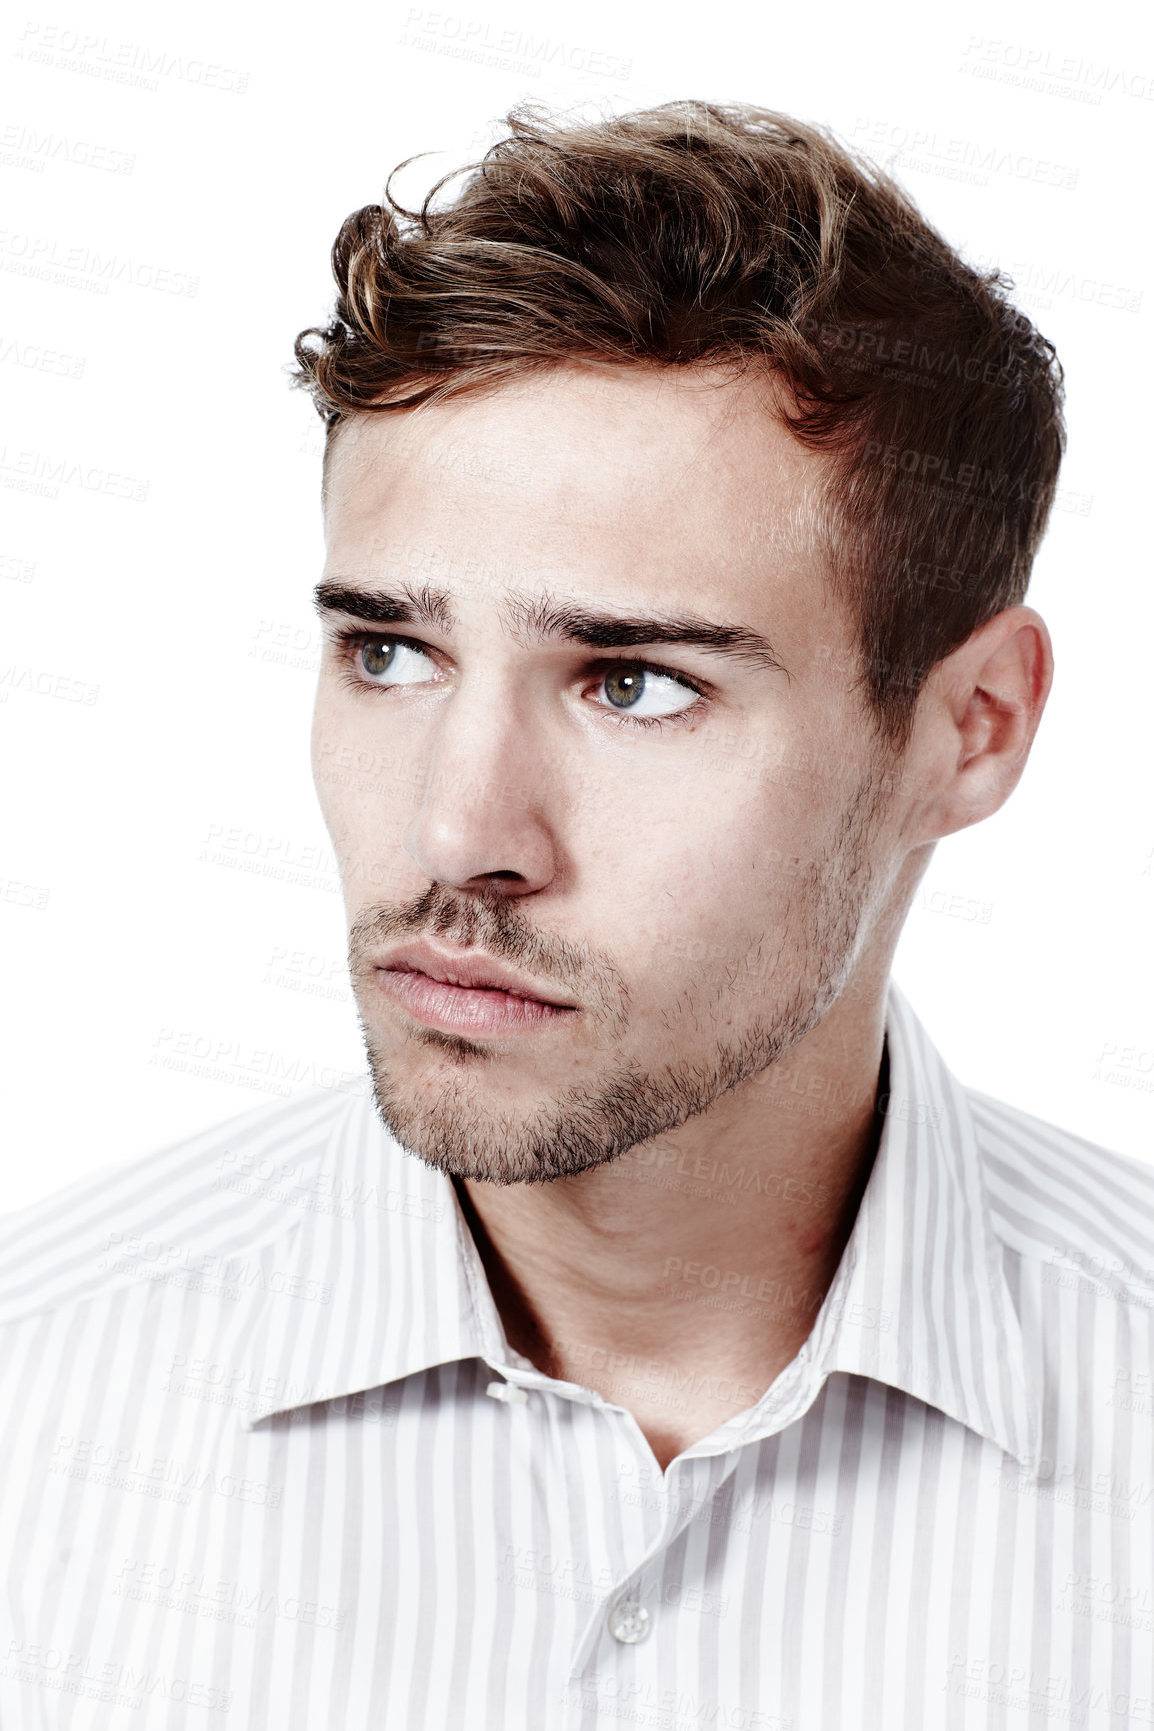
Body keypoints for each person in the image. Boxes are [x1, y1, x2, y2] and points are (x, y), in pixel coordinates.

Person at [2, 100, 1151, 1730]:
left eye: (632, 682)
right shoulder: (33, 1409)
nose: (460, 833)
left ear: (966, 729)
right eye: (389, 653)